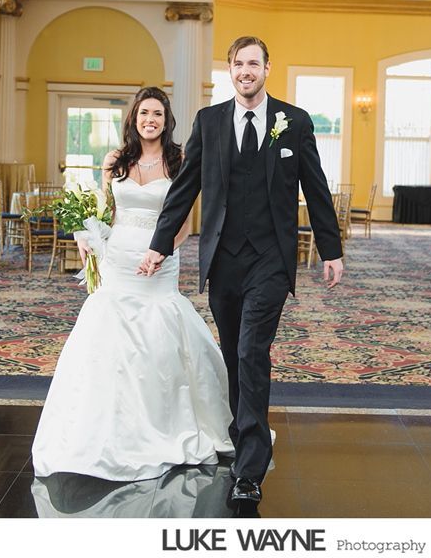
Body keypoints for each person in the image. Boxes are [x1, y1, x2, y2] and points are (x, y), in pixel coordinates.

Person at [140, 36, 344, 509]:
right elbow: (185, 189)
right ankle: (239, 428)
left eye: (254, 63)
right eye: (238, 64)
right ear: (229, 71)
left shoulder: (294, 122)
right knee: (233, 353)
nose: (246, 71)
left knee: (254, 351)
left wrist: (330, 249)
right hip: (224, 259)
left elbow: (315, 187)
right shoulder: (209, 122)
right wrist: (158, 245)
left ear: (267, 68)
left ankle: (250, 468)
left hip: (271, 258)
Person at [31, 86, 235, 481]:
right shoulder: (115, 161)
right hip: (117, 261)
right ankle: (104, 426)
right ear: (134, 118)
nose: (150, 120)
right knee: (109, 341)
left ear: (166, 119)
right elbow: (107, 210)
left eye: (157, 114)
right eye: (144, 113)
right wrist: (86, 233)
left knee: (158, 341)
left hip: (159, 263)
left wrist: (162, 252)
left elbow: (185, 223)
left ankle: (164, 423)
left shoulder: (179, 160)